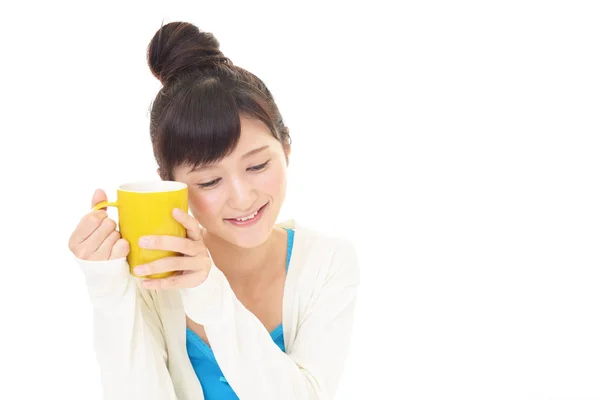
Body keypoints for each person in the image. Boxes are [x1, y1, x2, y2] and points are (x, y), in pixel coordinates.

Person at [68, 21, 359, 400]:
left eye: (257, 166)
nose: (241, 197)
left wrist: (211, 295)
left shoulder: (327, 262)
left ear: (286, 149)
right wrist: (107, 287)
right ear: (171, 185)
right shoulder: (152, 274)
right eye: (208, 182)